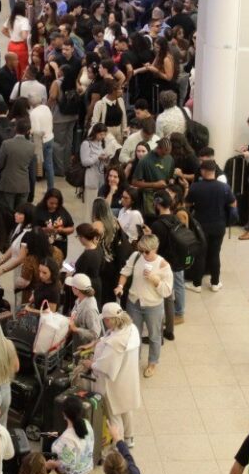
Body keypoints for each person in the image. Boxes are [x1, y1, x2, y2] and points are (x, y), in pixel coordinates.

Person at [122, 234, 173, 377]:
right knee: (133, 334)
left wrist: (155, 280)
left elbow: (167, 291)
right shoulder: (136, 256)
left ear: (155, 249)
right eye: (141, 250)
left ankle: (152, 362)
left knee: (154, 336)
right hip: (134, 302)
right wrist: (120, 286)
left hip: (153, 305)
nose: (143, 254)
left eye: (147, 252)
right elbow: (125, 272)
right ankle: (133, 360)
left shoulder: (164, 266)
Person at [90, 304, 142, 442]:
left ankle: (118, 446)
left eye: (105, 320)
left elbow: (104, 366)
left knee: (114, 415)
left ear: (109, 320)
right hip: (128, 379)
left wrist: (91, 364)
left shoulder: (116, 343)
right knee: (126, 409)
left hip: (113, 385)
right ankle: (129, 438)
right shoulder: (131, 329)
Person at [185, 159, 233, 291]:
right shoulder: (224, 187)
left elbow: (187, 204)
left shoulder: (196, 187)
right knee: (215, 254)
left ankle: (197, 284)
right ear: (214, 171)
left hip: (201, 226)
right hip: (219, 225)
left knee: (200, 254)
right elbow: (233, 203)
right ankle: (215, 283)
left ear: (203, 171)